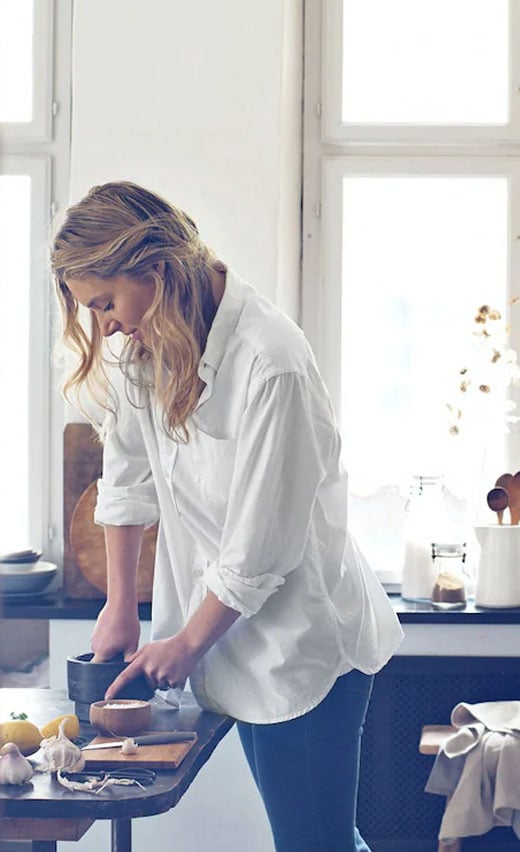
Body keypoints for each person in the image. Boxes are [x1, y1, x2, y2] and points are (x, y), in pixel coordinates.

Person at [51, 181, 403, 852]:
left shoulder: (271, 362)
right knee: (319, 839)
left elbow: (259, 549)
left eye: (106, 303)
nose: (105, 326)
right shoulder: (145, 346)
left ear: (151, 271)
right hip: (236, 635)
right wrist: (121, 604)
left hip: (304, 648)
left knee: (313, 845)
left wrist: (184, 643)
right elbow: (125, 479)